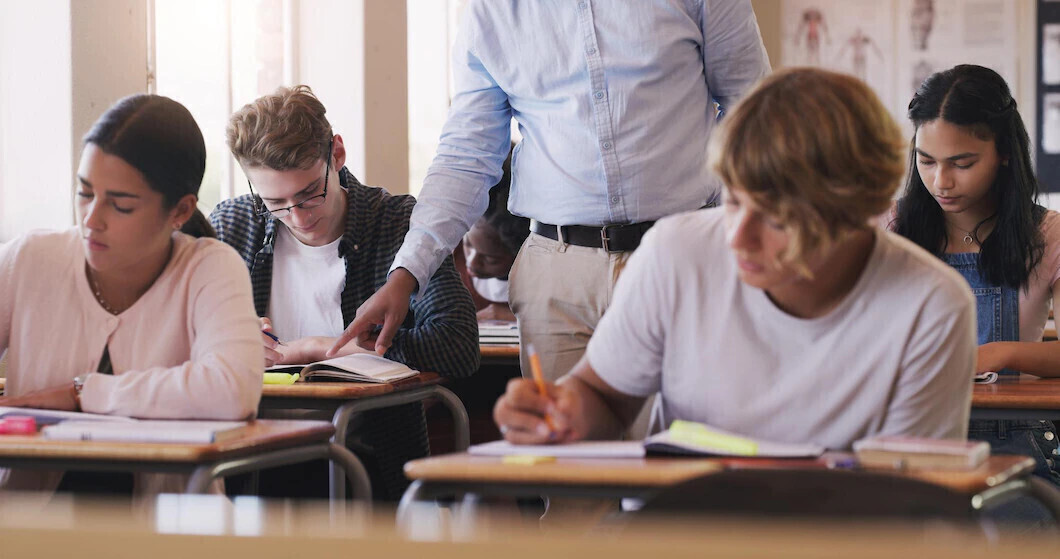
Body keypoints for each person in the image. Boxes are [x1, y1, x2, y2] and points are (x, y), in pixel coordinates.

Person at [493, 68, 976, 449]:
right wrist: (563, 412)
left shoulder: (930, 304)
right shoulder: (675, 251)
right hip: (681, 530)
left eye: (776, 219)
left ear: (862, 214)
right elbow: (604, 396)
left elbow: (910, 500)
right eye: (733, 200)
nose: (738, 237)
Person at [331, 0, 772, 382]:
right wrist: (406, 274)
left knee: (674, 464)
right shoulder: (491, 12)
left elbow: (754, 113)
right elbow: (466, 155)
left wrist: (748, 237)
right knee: (563, 465)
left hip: (680, 256)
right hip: (556, 275)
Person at [209, 85, 479, 499]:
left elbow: (457, 347)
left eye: (309, 193)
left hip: (369, 458)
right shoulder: (234, 224)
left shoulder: (396, 222)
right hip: (247, 456)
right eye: (275, 202)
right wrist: (227, 338)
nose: (297, 217)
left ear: (337, 154)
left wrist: (318, 348)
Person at [0, 94, 263, 493]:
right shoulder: (30, 259)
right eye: (85, 192)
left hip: (172, 535)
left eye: (120, 205)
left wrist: (83, 392)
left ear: (179, 211)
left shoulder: (211, 268)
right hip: (26, 532)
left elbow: (231, 391)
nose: (92, 219)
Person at [890, 64, 1060, 484]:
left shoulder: (1049, 235)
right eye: (926, 161)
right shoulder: (892, 230)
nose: (941, 181)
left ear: (1004, 153)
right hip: (910, 437)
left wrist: (995, 354)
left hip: (1018, 444)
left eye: (962, 163)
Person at [453, 148, 529, 322]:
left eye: (491, 259)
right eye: (468, 244)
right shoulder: (451, 261)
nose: (471, 262)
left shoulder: (542, 281)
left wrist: (515, 317)